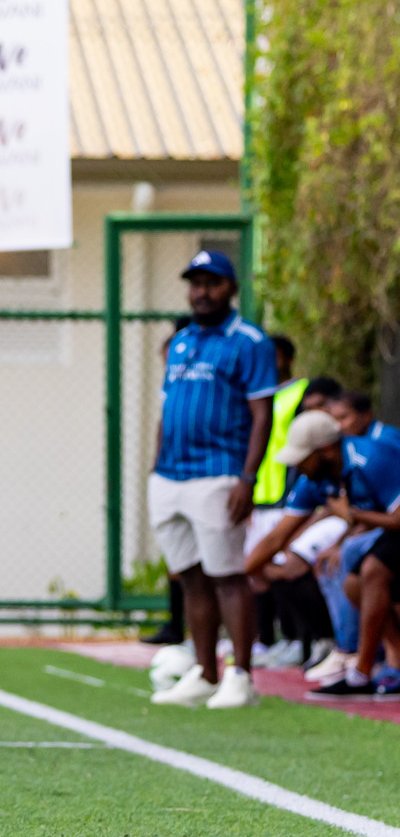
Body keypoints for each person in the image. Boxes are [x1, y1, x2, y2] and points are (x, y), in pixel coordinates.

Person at [147, 250, 277, 709]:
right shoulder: (181, 341)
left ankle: (241, 677)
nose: (202, 292)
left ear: (231, 288)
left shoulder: (250, 341)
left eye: (212, 283)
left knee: (228, 575)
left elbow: (263, 413)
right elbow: (167, 409)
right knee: (190, 577)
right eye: (195, 283)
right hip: (170, 475)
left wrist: (247, 478)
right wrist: (154, 465)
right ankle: (204, 672)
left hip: (219, 473)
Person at [246, 411, 400, 698]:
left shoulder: (371, 458)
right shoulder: (315, 478)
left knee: (372, 570)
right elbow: (278, 537)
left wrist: (352, 516)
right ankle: (396, 660)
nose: (298, 467)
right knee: (353, 584)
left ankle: (360, 674)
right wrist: (240, 577)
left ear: (326, 450)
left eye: (303, 457)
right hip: (387, 532)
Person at [142, 316, 193, 646]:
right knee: (178, 558)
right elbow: (165, 422)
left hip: (206, 475)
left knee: (209, 567)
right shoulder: (173, 387)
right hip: (170, 475)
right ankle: (178, 627)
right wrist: (157, 465)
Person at [329, 389, 400, 449]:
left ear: (366, 416)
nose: (338, 426)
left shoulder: (387, 439)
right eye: (334, 419)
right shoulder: (350, 443)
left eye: (343, 417)